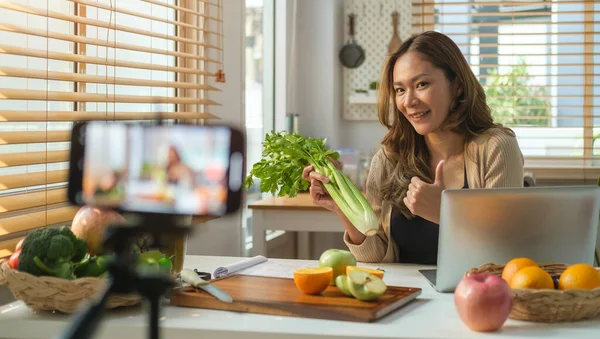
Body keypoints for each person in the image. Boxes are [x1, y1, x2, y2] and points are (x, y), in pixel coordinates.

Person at [302, 31, 524, 264]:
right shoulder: (388, 159)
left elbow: (503, 252)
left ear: (457, 85)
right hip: (407, 295)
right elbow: (376, 254)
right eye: (399, 90)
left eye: (421, 84)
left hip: (475, 295)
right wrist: (341, 206)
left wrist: (445, 214)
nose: (408, 101)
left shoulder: (496, 148)